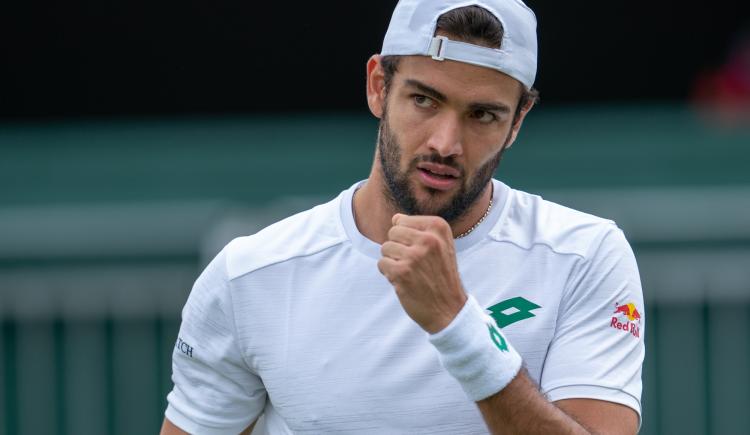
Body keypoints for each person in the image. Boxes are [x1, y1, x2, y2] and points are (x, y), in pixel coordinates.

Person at [161, 0, 645, 433]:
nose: (445, 143)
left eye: (483, 115)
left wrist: (458, 324)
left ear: (517, 122)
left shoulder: (586, 255)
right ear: (378, 87)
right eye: (424, 100)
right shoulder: (248, 274)